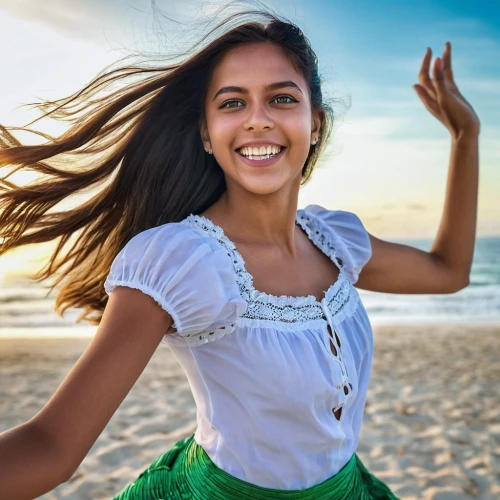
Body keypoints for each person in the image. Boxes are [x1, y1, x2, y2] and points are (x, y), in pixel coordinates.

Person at [0, 2, 480, 498]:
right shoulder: (181, 261)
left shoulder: (336, 242)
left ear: (315, 124)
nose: (257, 120)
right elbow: (51, 446)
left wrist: (467, 137)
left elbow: (448, 271)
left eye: (281, 99)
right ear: (207, 134)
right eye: (232, 103)